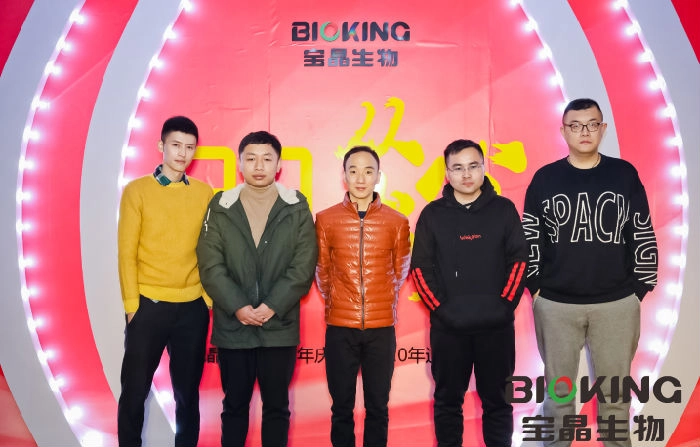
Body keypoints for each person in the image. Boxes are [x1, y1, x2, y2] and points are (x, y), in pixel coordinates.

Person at [522, 98, 658, 447]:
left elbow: (641, 230)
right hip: (556, 305)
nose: (584, 131)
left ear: (603, 129)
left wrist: (639, 288)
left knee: (615, 399)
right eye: (575, 125)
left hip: (616, 305)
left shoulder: (623, 174)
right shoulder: (545, 178)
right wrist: (535, 287)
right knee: (558, 397)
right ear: (563, 131)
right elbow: (530, 236)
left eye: (592, 124)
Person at [196, 130, 318, 447]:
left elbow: (303, 265)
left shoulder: (296, 207)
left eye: (267, 158)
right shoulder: (221, 206)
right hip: (233, 327)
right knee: (234, 407)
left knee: (276, 408)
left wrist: (272, 305)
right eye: (251, 158)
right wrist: (238, 306)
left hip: (279, 326)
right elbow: (210, 264)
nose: (259, 166)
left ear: (279, 165)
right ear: (240, 163)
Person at [410, 139, 527, 447]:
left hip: (496, 328)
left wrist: (504, 306)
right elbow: (420, 269)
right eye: (458, 168)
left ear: (483, 168)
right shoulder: (432, 215)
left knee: (498, 403)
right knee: (448, 402)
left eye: (473, 166)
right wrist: (442, 311)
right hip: (449, 330)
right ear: (447, 173)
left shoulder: (503, 210)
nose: (466, 175)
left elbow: (519, 260)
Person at [117, 115, 213, 447]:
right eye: (176, 145)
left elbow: (210, 249)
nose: (182, 153)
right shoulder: (137, 191)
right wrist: (133, 307)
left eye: (189, 147)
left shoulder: (204, 193)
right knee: (134, 391)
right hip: (148, 306)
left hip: (192, 308)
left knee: (187, 394)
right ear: (161, 146)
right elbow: (126, 253)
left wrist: (206, 299)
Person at [315, 146, 411, 447]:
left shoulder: (397, 221)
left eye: (368, 171)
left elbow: (400, 271)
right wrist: (338, 301)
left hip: (381, 330)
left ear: (378, 176)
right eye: (353, 171)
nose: (360, 178)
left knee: (378, 408)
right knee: (341, 408)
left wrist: (381, 301)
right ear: (344, 175)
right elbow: (322, 270)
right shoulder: (325, 219)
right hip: (340, 327)